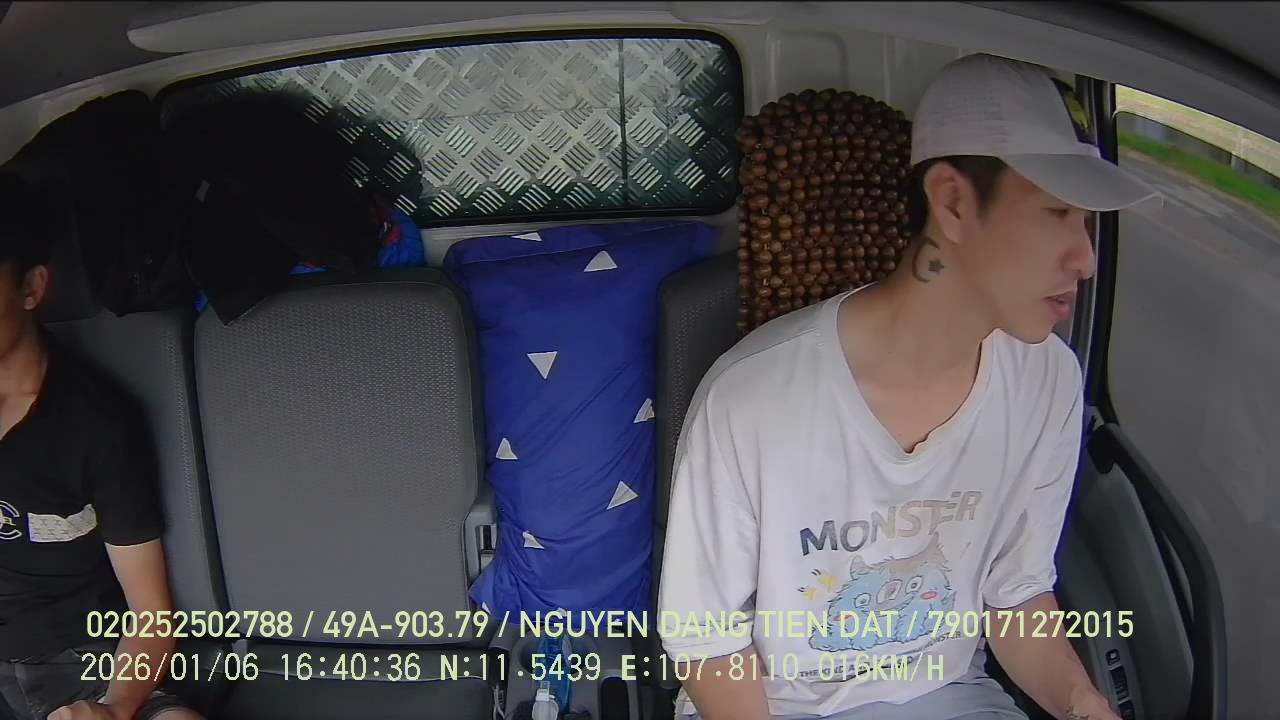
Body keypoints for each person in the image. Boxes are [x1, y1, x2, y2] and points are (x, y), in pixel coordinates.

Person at [657, 53, 1162, 720]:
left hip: (946, 697)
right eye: (1056, 213)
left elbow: (1015, 595)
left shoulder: (1047, 380)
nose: (1087, 259)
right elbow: (706, 641)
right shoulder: (749, 398)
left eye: (1088, 223)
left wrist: (1082, 704)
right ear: (952, 201)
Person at [0, 173, 204, 720]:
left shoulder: (97, 424)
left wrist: (112, 709)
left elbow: (152, 614)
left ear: (31, 287)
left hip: (75, 661)